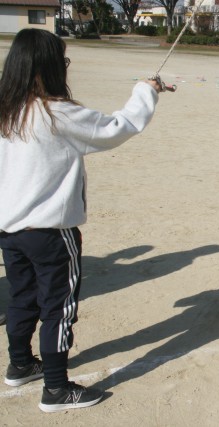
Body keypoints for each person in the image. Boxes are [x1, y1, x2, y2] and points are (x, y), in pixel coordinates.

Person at [0, 29, 163, 412]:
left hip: (10, 232)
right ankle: (57, 389)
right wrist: (147, 90)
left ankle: (20, 364)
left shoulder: (7, 113)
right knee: (58, 307)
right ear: (48, 67)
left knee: (22, 298)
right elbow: (116, 128)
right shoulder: (56, 113)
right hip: (51, 234)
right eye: (62, 60)